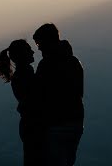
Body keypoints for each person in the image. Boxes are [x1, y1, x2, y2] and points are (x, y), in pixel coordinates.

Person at [33, 23, 84, 166]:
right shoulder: (74, 62)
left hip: (55, 124)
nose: (38, 48)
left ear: (47, 41)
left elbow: (39, 95)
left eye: (39, 43)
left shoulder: (46, 65)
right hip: (76, 121)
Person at [0, 39, 44, 166]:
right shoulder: (24, 76)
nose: (33, 52)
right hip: (33, 127)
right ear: (22, 55)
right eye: (29, 50)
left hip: (29, 126)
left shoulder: (23, 75)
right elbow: (35, 101)